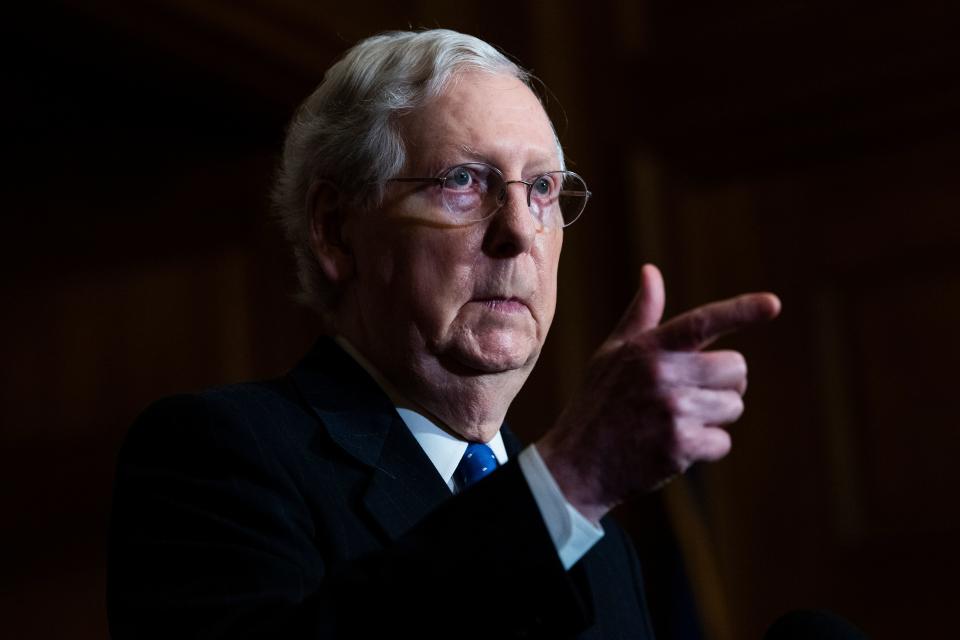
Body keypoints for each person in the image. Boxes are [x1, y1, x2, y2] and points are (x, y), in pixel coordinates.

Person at [107, 29, 780, 639]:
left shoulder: (600, 548)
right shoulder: (221, 457)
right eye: (463, 181)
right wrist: (573, 477)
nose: (520, 231)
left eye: (541, 189)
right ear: (337, 231)